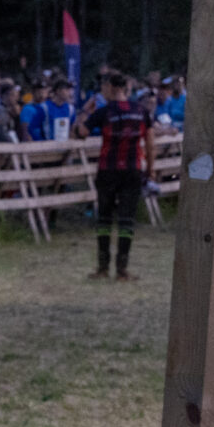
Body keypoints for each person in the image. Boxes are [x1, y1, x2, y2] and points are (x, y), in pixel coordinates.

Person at [76, 71, 152, 281]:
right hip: (132, 170)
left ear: (110, 87)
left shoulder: (104, 112)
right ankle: (122, 269)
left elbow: (81, 133)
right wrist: (151, 169)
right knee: (127, 221)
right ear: (125, 88)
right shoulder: (141, 111)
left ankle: (102, 268)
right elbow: (150, 142)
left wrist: (85, 111)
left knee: (104, 219)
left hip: (107, 170)